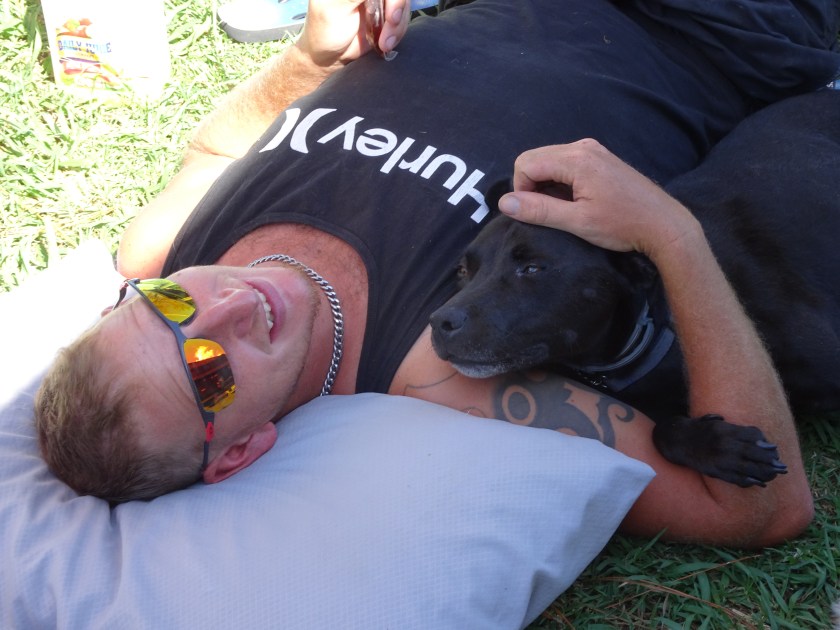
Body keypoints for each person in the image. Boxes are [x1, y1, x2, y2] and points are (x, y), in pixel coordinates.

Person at [35, 0, 839, 546]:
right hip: (714, 28)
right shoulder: (438, 369)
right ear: (238, 453)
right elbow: (759, 508)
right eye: (209, 372)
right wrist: (670, 235)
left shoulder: (160, 249)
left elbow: (214, 147)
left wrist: (309, 57)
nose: (225, 308)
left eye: (168, 308)